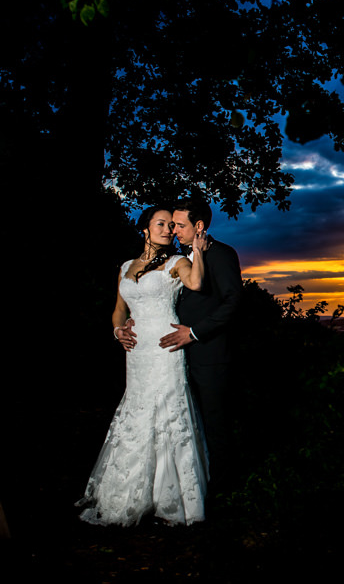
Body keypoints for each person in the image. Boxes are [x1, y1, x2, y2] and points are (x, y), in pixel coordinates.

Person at [77, 206, 209, 526]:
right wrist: (117, 331)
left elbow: (195, 284)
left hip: (165, 349)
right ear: (145, 229)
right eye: (161, 224)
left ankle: (173, 503)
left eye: (171, 225)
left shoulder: (177, 262)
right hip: (136, 353)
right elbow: (119, 310)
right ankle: (128, 492)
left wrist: (197, 250)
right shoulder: (125, 267)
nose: (168, 229)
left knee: (169, 414)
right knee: (137, 414)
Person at [160, 198, 242, 491]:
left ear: (199, 226)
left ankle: (222, 490)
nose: (174, 230)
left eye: (180, 225)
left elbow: (233, 302)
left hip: (211, 356)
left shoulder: (222, 254)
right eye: (172, 225)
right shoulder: (177, 259)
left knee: (215, 423)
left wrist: (194, 333)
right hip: (178, 358)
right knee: (187, 422)